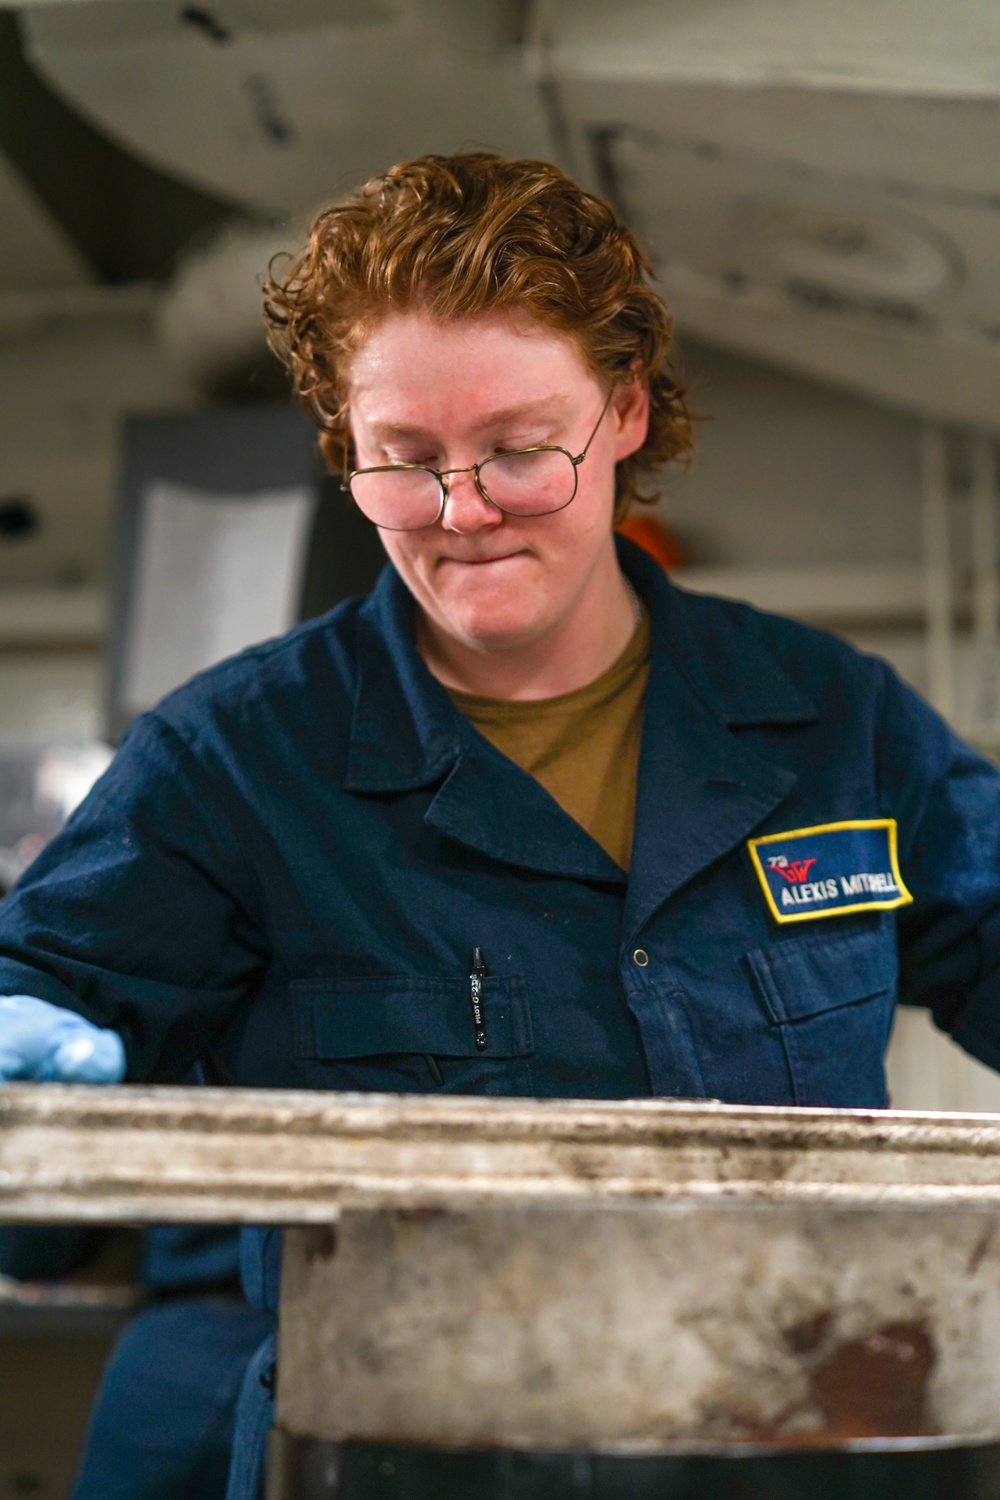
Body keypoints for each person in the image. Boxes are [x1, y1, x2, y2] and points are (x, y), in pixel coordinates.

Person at [1, 152, 999, 1497]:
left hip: (803, 1458)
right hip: (408, 1464)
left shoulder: (835, 724)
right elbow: (42, 1009)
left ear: (629, 412)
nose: (462, 514)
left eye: (520, 452)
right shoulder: (234, 763)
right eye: (403, 463)